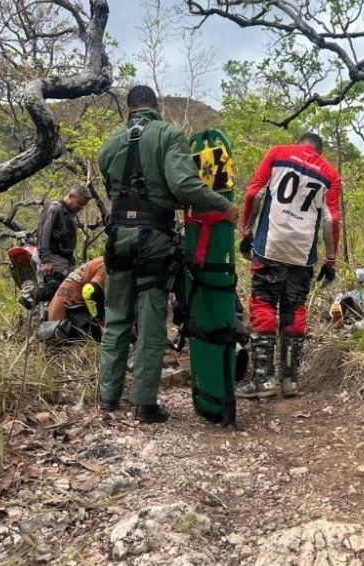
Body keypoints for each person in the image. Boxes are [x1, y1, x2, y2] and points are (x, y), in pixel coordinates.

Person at [97, 84, 238, 424]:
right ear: (155, 105)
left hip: (117, 235)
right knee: (149, 319)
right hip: (152, 237)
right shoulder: (168, 134)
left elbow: (118, 190)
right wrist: (224, 206)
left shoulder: (110, 144)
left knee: (116, 317)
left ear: (129, 108)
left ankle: (108, 398)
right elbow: (184, 185)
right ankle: (145, 404)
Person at [237, 132, 341, 399]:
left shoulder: (277, 153)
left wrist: (246, 233)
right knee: (294, 308)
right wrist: (331, 260)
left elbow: (254, 194)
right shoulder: (330, 174)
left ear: (300, 144)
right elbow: (331, 220)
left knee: (263, 303)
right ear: (319, 151)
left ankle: (263, 380)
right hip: (302, 253)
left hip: (270, 246)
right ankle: (290, 381)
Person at [25, 185, 92, 309]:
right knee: (53, 294)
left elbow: (68, 242)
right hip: (51, 260)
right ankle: (30, 296)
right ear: (71, 196)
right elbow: (43, 233)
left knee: (64, 297)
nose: (81, 208)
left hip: (64, 263)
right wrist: (46, 260)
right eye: (80, 203)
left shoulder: (70, 214)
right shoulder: (54, 208)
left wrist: (72, 263)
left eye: (84, 205)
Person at [41, 255, 106, 336]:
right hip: (66, 325)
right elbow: (89, 292)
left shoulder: (97, 261)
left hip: (51, 324)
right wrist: (101, 323)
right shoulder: (105, 265)